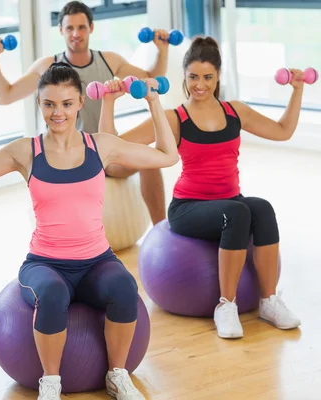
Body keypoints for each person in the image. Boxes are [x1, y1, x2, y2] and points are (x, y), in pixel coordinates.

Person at [0, 62, 178, 399]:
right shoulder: (26, 151)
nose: (58, 113)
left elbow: (168, 156)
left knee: (125, 286)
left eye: (66, 104)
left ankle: (117, 374)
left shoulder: (102, 145)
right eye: (49, 104)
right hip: (46, 263)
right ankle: (50, 382)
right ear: (39, 105)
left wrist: (154, 102)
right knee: (51, 294)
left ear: (81, 102)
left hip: (97, 260)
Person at [100, 36, 302, 339]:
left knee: (262, 208)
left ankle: (269, 300)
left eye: (208, 77)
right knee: (236, 213)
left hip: (229, 200)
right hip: (188, 207)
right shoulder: (175, 118)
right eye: (193, 76)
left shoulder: (236, 112)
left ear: (218, 76)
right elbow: (112, 145)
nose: (200, 84)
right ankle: (226, 305)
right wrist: (108, 103)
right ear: (184, 76)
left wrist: (297, 91)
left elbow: (283, 131)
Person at [0, 0, 173, 224]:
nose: (76, 33)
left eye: (81, 27)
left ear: (91, 28)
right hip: (70, 154)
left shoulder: (109, 60)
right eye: (70, 28)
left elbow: (150, 81)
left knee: (148, 163)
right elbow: (6, 95)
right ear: (60, 30)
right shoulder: (48, 67)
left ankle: (161, 231)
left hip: (106, 150)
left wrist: (162, 50)